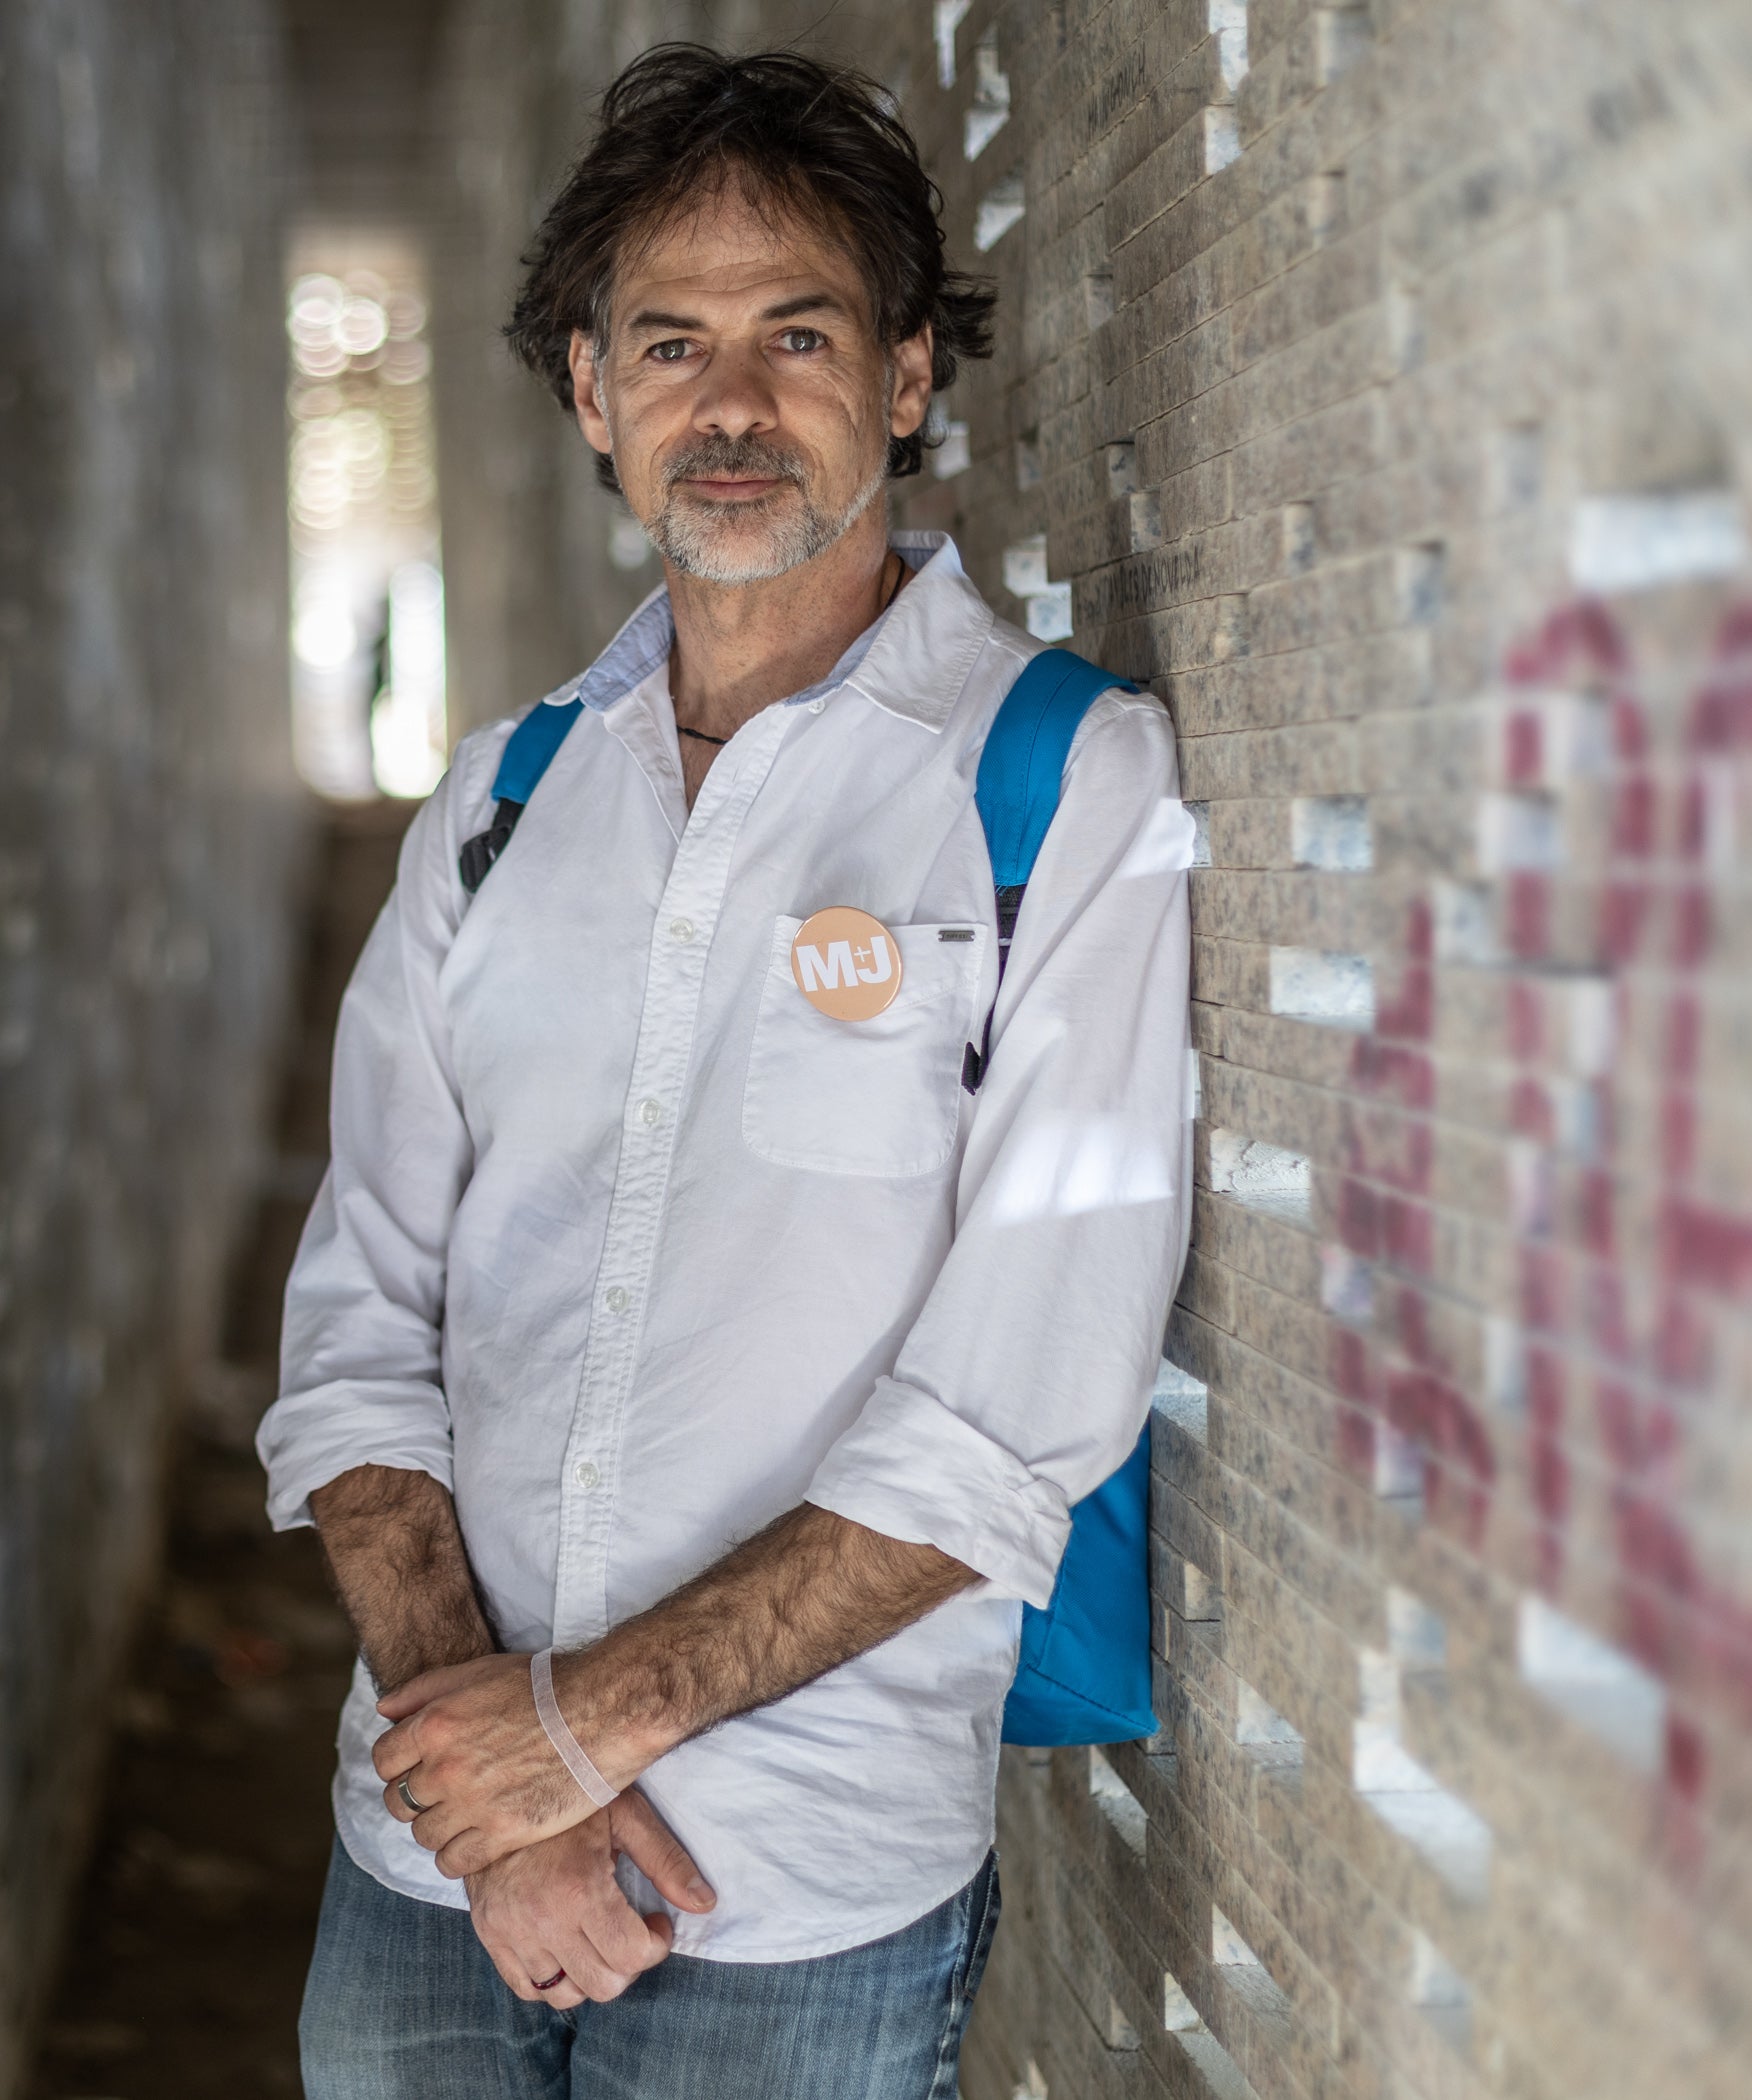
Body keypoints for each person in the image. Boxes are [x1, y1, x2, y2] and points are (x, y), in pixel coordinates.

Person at [259, 42, 1194, 2099]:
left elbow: (1020, 1403)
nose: (735, 403)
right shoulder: (497, 809)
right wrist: (489, 1772)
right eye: (669, 344)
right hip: (424, 1868)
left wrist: (581, 1734)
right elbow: (356, 1330)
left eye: (801, 334)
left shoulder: (1057, 788)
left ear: (909, 377)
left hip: (802, 1895)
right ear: (592, 396)